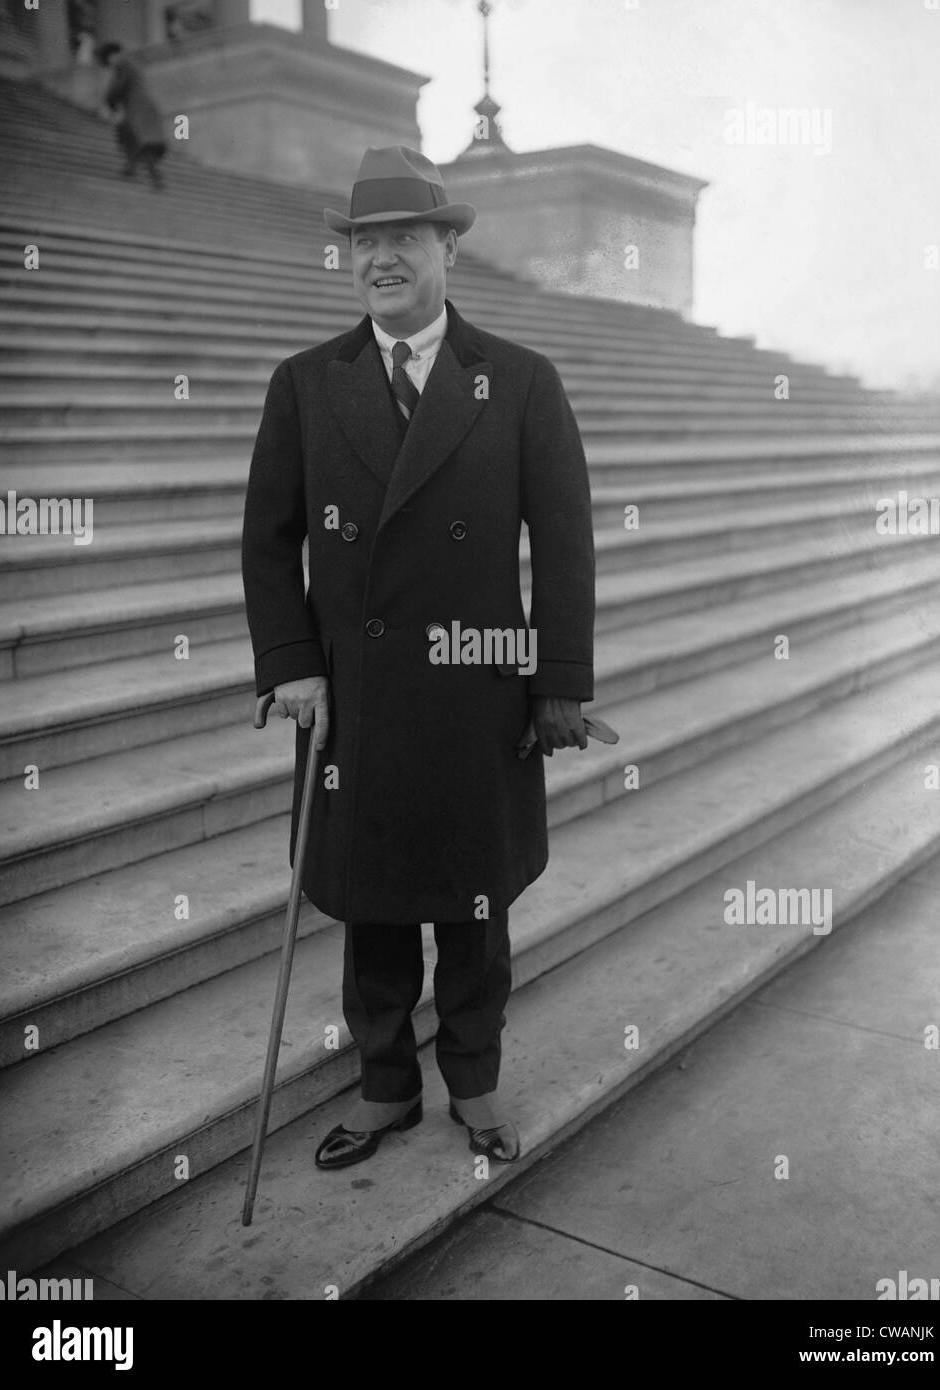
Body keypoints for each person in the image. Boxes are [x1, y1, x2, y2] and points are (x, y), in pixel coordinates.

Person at [241, 146, 596, 1170]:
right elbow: (270, 540)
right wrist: (292, 661)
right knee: (374, 905)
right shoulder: (307, 384)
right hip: (357, 699)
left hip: (476, 693)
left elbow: (565, 542)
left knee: (474, 909)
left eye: (403, 237)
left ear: (447, 246)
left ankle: (474, 1087)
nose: (380, 258)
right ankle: (387, 1086)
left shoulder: (521, 381)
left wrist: (558, 682)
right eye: (364, 242)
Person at [95, 42, 166, 188]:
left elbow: (116, 89)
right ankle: (137, 168)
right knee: (138, 140)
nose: (108, 65)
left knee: (138, 140)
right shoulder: (131, 63)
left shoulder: (123, 64)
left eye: (107, 60)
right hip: (143, 109)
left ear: (111, 56)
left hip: (137, 110)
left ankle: (141, 170)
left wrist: (110, 104)